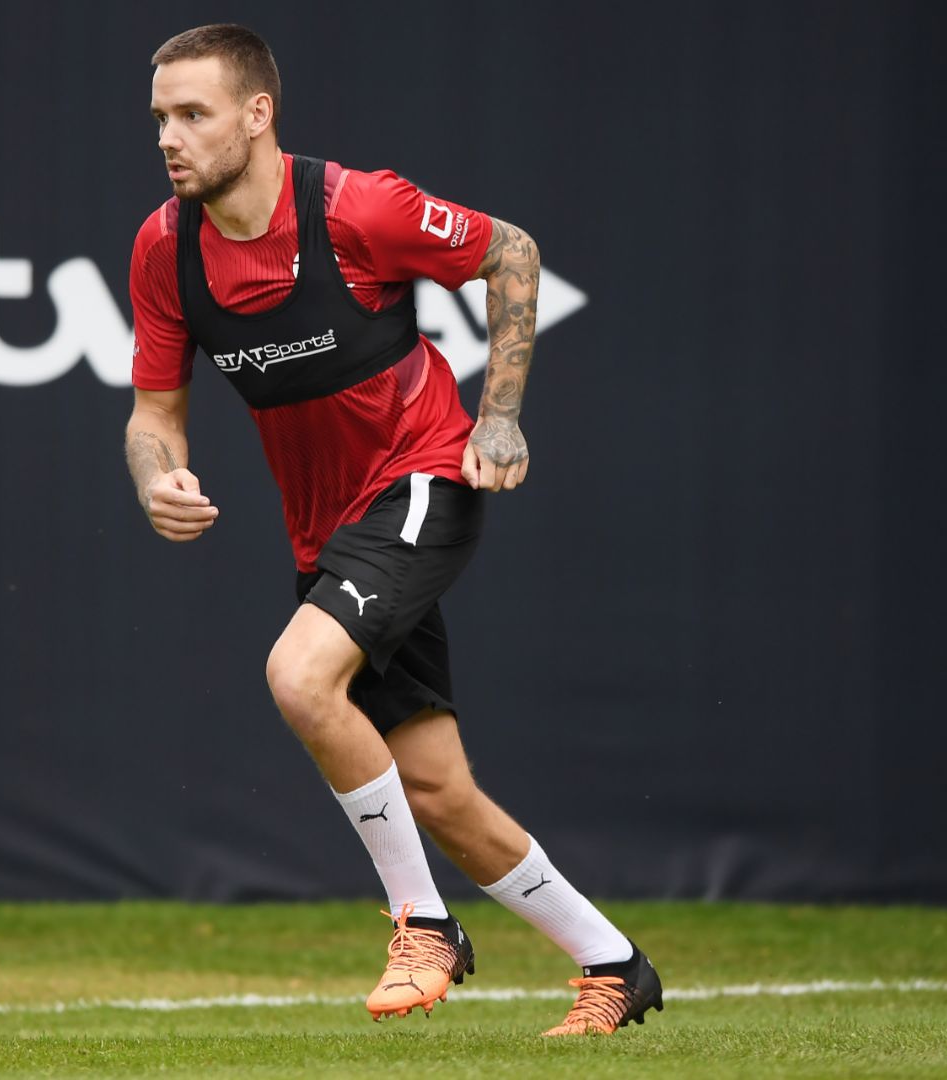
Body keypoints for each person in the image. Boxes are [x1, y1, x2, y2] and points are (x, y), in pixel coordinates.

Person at [123, 23, 661, 1037]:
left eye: (192, 114)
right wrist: (158, 479)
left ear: (257, 114)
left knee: (298, 676)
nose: (169, 137)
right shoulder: (165, 248)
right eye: (159, 117)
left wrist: (500, 416)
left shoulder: (355, 207)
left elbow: (511, 250)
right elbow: (154, 414)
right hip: (328, 533)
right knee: (438, 792)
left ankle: (425, 924)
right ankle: (615, 964)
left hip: (423, 479)